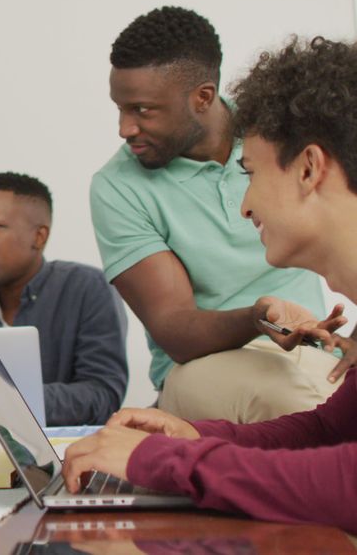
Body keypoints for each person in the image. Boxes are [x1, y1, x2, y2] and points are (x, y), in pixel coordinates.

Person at [64, 36, 357, 532]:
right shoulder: (117, 184)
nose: (245, 206)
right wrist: (190, 437)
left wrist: (164, 461)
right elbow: (330, 430)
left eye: (252, 173)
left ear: (309, 169)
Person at [89, 6, 347, 423]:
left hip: (315, 354)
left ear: (203, 97)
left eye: (142, 110)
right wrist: (258, 317)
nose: (125, 128)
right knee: (298, 402)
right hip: (201, 367)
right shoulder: (117, 188)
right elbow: (175, 329)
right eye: (120, 108)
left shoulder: (278, 136)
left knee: (326, 393)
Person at [0, 172, 128, 426]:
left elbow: (103, 396)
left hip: (64, 456)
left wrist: (4, 400)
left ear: (38, 237)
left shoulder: (87, 289)